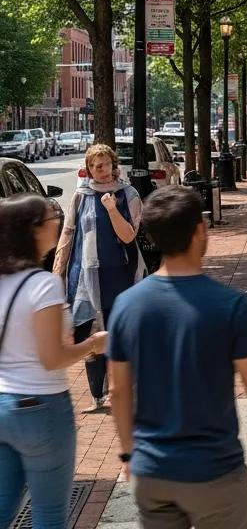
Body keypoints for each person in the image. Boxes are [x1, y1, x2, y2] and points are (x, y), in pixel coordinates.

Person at [107, 187, 247, 529]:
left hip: (154, 471)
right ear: (200, 231)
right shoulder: (231, 306)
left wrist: (128, 453)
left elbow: (118, 391)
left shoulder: (127, 305)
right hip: (214, 471)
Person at [0, 195, 106, 529]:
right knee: (49, 514)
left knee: (2, 508)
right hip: (41, 408)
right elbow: (52, 358)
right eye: (51, 219)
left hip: (3, 405)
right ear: (31, 230)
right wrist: (92, 345)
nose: (58, 223)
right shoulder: (43, 285)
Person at [53, 142, 145, 412]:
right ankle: (96, 396)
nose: (98, 170)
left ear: (113, 165)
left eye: (103, 164)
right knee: (88, 334)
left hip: (120, 276)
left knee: (119, 330)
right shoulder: (81, 196)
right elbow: (68, 233)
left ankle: (123, 388)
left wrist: (112, 209)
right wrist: (57, 272)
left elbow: (129, 235)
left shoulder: (127, 194)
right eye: (93, 165)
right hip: (83, 277)